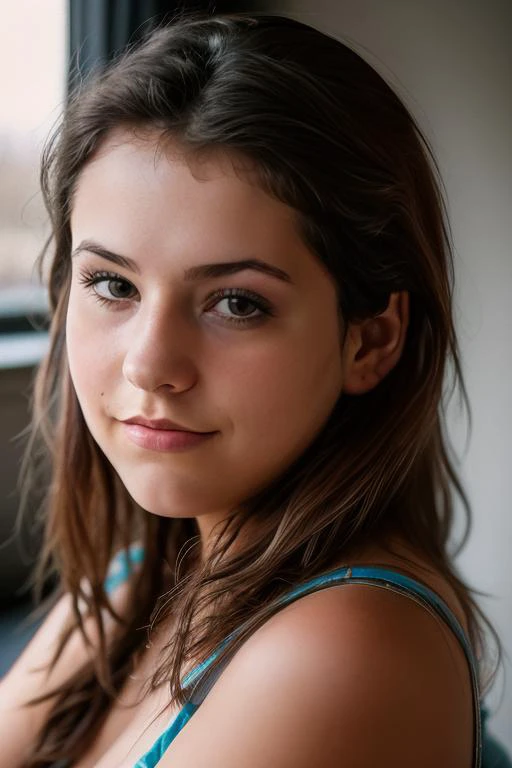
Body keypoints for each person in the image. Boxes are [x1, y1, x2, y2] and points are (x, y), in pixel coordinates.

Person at [0, 11, 510, 768]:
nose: (150, 365)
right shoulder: (152, 571)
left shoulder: (346, 651)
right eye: (112, 284)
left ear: (368, 340)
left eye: (237, 302)